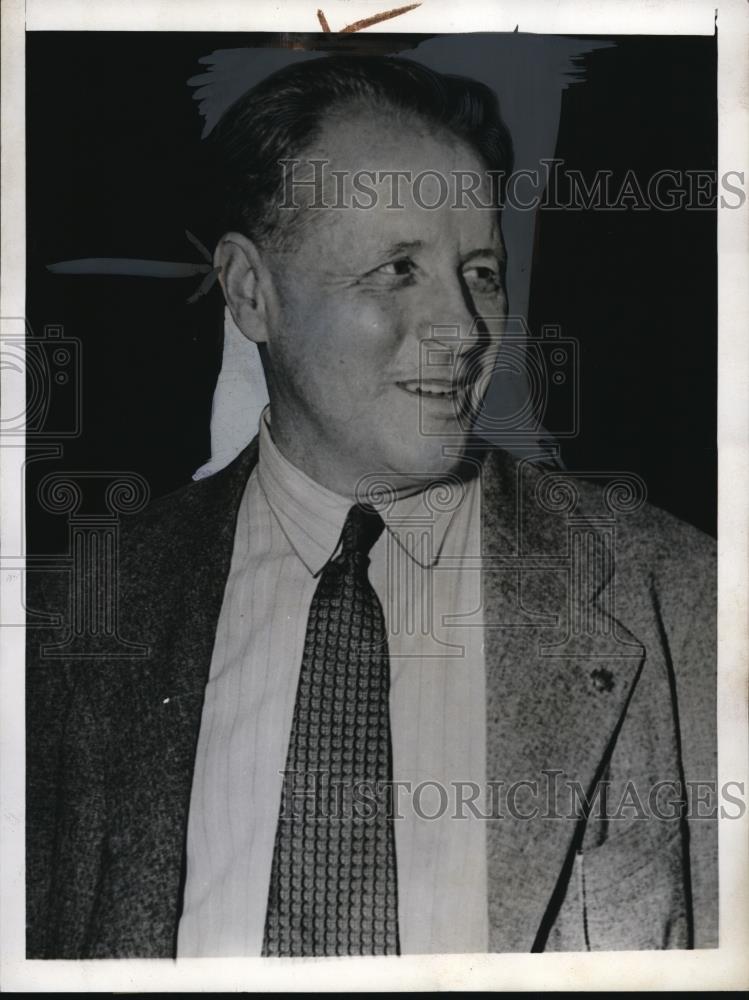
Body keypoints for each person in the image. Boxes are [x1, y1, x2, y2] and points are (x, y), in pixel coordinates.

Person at [26, 55, 717, 959]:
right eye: (397, 269)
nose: (465, 332)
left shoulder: (684, 601)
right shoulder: (75, 617)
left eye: (480, 272)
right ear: (249, 292)